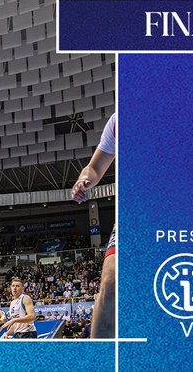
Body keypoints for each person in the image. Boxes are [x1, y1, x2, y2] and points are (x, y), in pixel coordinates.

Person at [71, 112, 116, 338]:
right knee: (110, 282)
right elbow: (95, 168)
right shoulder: (118, 122)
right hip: (133, 213)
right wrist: (83, 179)